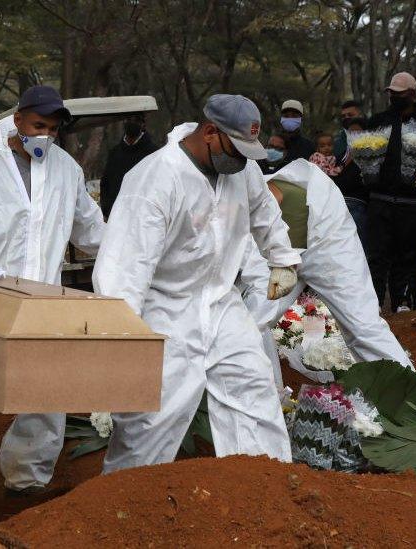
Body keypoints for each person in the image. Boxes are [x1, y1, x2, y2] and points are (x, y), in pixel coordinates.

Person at [93, 94, 301, 472]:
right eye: (236, 149)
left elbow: (263, 211)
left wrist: (282, 257)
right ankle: (125, 498)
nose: (241, 161)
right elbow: (125, 267)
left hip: (222, 303)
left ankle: (262, 488)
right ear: (209, 132)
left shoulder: (241, 169)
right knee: (153, 417)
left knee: (255, 391)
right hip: (165, 310)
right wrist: (122, 341)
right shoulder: (156, 177)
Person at [0, 86, 105, 494]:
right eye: (38, 125)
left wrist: (131, 252)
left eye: (53, 129)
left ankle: (27, 479)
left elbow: (91, 231)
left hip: (45, 298)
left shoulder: (66, 169)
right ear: (19, 119)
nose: (45, 135)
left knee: (48, 389)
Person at [236, 159, 412, 392]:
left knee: (362, 325)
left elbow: (268, 202)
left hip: (319, 227)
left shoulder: (233, 179)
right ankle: (263, 400)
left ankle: (410, 398)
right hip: (281, 236)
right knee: (249, 320)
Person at [364, 71, 416, 313]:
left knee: (407, 256)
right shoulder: (377, 122)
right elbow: (363, 156)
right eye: (392, 93)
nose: (394, 97)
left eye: (400, 94)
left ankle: (403, 303)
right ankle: (373, 304)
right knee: (376, 257)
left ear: (412, 94)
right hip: (380, 200)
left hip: (410, 204)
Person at [100, 115, 159, 219]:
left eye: (136, 120)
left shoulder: (153, 153)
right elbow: (105, 183)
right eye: (128, 120)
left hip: (142, 218)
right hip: (115, 217)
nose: (131, 123)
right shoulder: (115, 153)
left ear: (143, 124)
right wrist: (106, 210)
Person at [334, 117, 369, 241]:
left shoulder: (370, 157)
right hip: (338, 206)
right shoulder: (341, 155)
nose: (353, 135)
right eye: (350, 132)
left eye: (358, 132)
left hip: (357, 206)